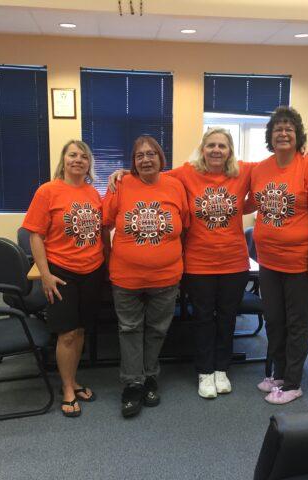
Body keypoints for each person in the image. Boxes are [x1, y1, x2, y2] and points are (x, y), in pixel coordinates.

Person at [108, 128, 253, 399]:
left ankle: (221, 369)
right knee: (202, 320)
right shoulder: (185, 173)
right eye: (211, 145)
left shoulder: (242, 172)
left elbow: (272, 170)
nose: (216, 150)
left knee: (227, 319)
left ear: (230, 150)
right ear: (202, 149)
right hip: (198, 263)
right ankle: (204, 372)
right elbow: (152, 174)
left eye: (222, 145)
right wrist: (124, 173)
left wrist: (306, 150)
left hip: (233, 261)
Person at [248, 106, 308, 405]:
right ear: (270, 136)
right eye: (278, 128)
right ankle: (280, 374)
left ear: (298, 136)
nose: (283, 133)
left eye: (289, 129)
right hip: (268, 261)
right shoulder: (260, 168)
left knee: (296, 323)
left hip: (298, 262)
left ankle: (294, 383)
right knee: (274, 320)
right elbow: (240, 192)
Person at [102, 135, 189, 418]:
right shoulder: (120, 184)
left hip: (166, 277)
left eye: (152, 153)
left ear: (161, 159)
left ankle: (150, 376)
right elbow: (105, 224)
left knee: (157, 329)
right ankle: (132, 383)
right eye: (140, 155)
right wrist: (105, 259)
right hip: (126, 276)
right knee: (129, 329)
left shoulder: (175, 186)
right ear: (133, 163)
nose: (146, 159)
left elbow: (184, 227)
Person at [22, 140, 107, 418]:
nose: (78, 160)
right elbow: (35, 234)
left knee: (81, 330)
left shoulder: (94, 193)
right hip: (62, 272)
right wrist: (45, 274)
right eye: (73, 155)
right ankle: (67, 388)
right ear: (64, 159)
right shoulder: (48, 191)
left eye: (84, 156)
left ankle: (73, 380)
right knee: (67, 333)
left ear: (89, 163)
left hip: (92, 270)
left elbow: (102, 231)